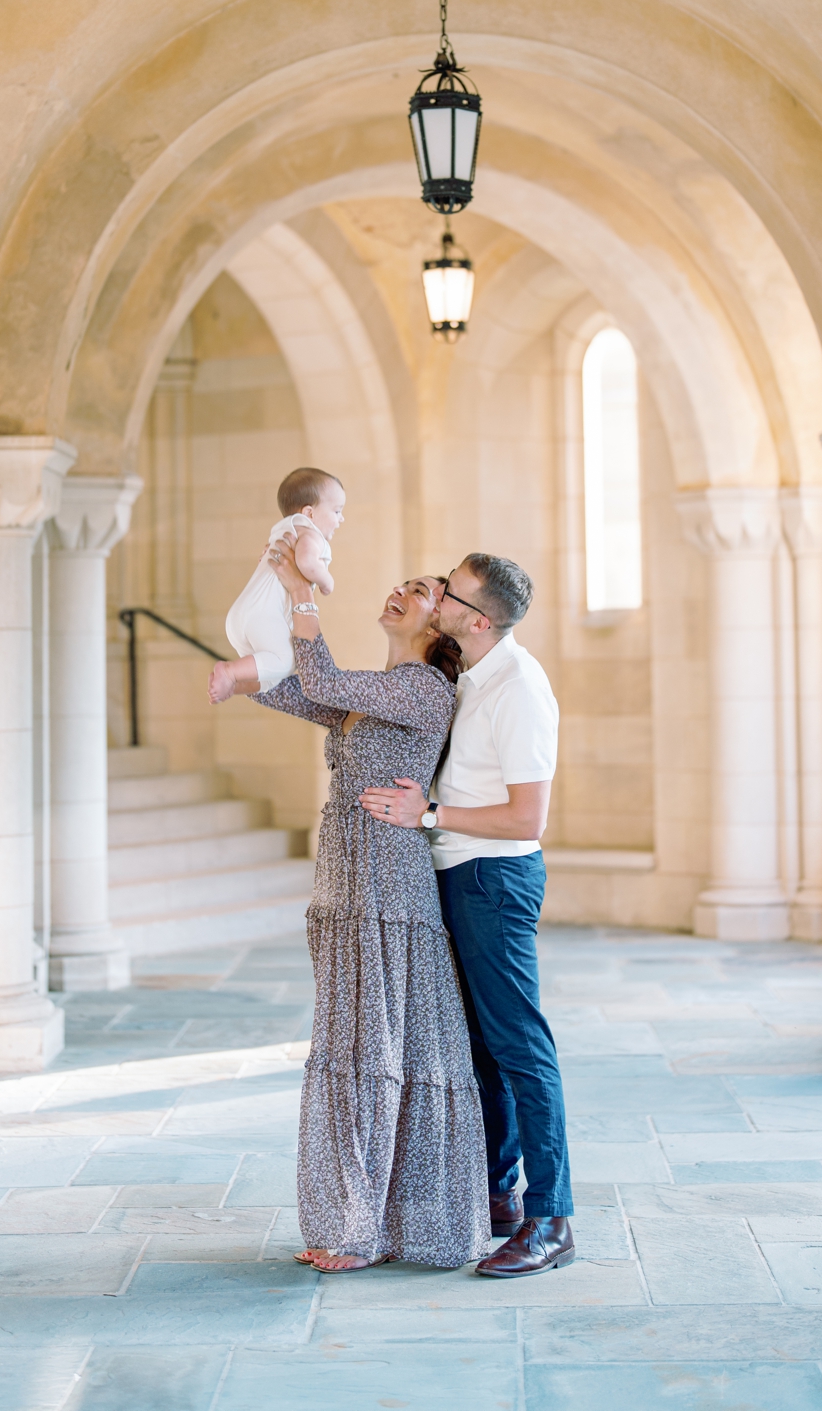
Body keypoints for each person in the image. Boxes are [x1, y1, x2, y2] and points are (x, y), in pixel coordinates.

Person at [227, 546, 491, 1274]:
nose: (401, 590)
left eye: (422, 591)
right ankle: (358, 1219)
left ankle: (360, 1226)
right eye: (403, 581)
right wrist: (248, 648)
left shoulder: (427, 691)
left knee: (374, 1048)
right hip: (346, 882)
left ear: (443, 624)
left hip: (387, 886)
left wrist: (301, 591)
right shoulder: (377, 688)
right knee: (354, 1046)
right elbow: (296, 688)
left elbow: (322, 678)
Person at [360, 553, 574, 1278]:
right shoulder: (469, 676)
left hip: (495, 878)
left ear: (478, 618)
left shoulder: (518, 688)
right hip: (458, 873)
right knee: (481, 1050)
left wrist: (428, 812)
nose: (437, 591)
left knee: (520, 1047)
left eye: (448, 589)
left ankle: (552, 1218)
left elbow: (527, 813)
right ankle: (498, 1196)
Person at [209, 467, 345, 703]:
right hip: (262, 616)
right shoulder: (311, 535)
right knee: (285, 661)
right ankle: (229, 672)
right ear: (310, 513)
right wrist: (327, 581)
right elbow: (305, 562)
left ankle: (234, 685)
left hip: (241, 616)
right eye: (336, 511)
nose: (341, 519)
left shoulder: (282, 532)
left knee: (272, 673)